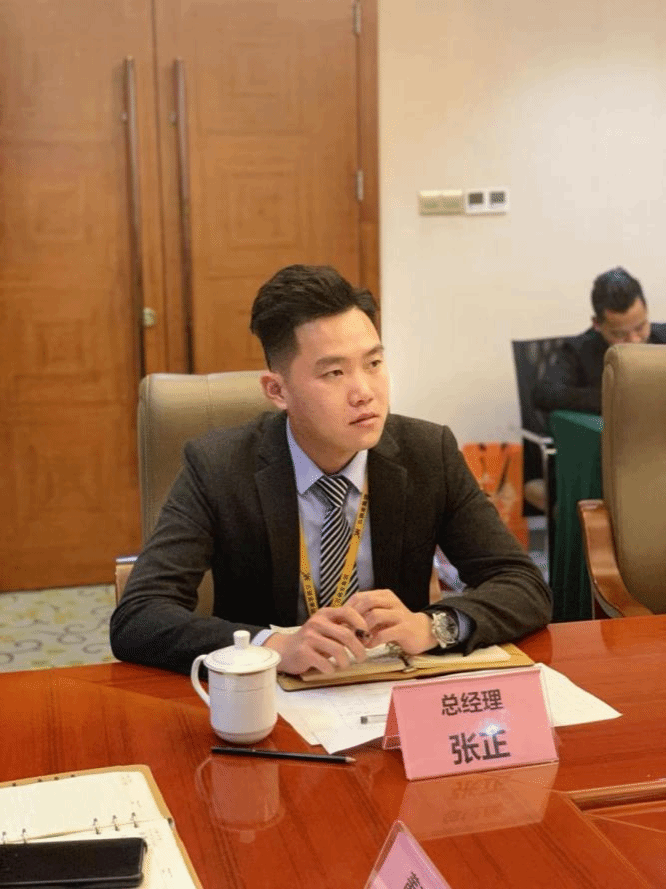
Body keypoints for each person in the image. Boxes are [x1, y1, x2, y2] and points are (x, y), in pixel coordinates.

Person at [110, 265, 551, 675]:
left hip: (391, 692)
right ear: (277, 390)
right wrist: (272, 647)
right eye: (334, 373)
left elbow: (524, 584)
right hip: (269, 700)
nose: (364, 392)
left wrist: (434, 626)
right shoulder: (219, 467)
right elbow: (139, 616)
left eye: (374, 364)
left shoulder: (427, 452)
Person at [532, 267, 666, 414]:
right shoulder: (578, 351)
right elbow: (545, 393)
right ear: (597, 324)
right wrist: (615, 398)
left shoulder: (662, 336)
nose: (634, 340)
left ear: (646, 311)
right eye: (620, 334)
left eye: (640, 327)